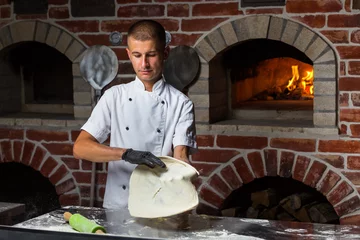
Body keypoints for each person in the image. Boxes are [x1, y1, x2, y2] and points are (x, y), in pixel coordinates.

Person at [73, 19, 197, 209]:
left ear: (165, 53)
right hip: (118, 204)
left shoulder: (181, 103)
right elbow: (80, 148)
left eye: (151, 55)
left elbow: (180, 154)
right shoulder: (114, 96)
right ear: (128, 55)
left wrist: (186, 171)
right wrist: (126, 154)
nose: (144, 64)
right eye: (137, 55)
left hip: (160, 204)